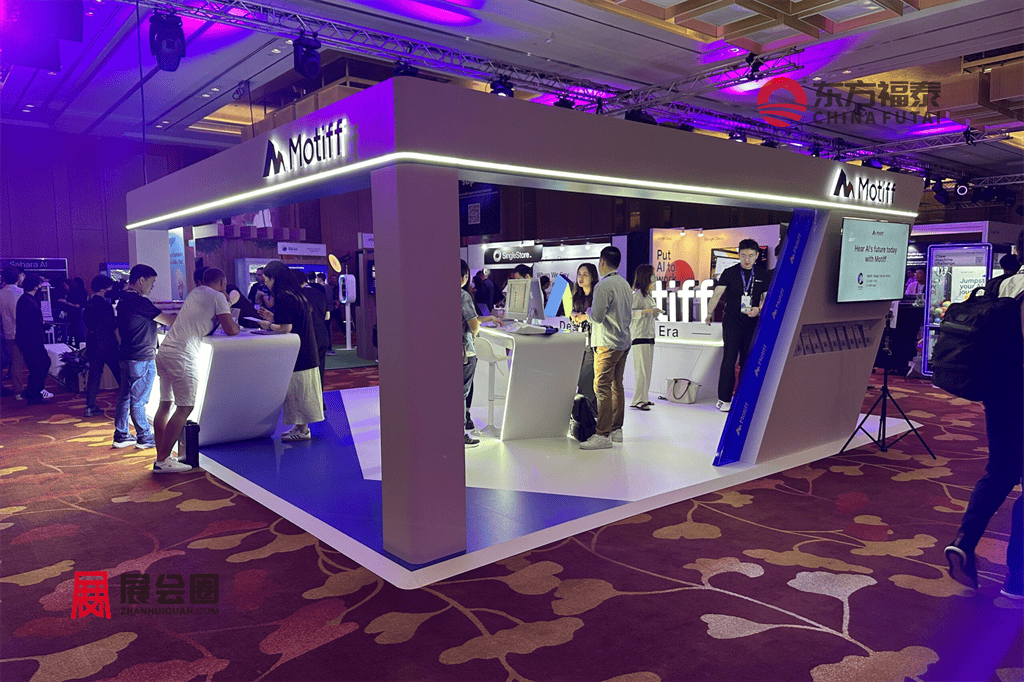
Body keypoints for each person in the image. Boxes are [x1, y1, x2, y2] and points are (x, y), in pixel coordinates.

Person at [945, 232, 1024, 600]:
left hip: (999, 390)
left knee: (1001, 470)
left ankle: (964, 540)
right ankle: (1017, 581)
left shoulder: (1001, 285)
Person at [153, 267, 239, 474]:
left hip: (165, 351)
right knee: (185, 407)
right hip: (182, 355)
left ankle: (161, 457)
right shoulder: (217, 296)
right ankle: (162, 460)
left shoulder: (196, 292)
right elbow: (231, 329)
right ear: (221, 282)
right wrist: (228, 306)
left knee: (165, 404)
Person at [257, 261, 324, 441]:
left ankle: (302, 430)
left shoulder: (283, 296)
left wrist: (267, 325)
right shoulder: (296, 294)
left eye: (266, 279)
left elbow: (286, 327)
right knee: (301, 390)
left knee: (298, 391)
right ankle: (300, 427)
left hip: (298, 352)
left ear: (273, 278)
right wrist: (273, 317)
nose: (265, 283)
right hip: (307, 349)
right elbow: (293, 319)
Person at [113, 264, 176, 450]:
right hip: (141, 357)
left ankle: (121, 435)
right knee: (139, 400)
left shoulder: (124, 299)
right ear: (141, 280)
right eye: (152, 282)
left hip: (127, 354)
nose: (152, 286)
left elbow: (141, 323)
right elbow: (168, 320)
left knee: (125, 397)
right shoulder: (140, 302)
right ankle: (144, 437)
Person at [705, 239, 770, 412]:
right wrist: (709, 313)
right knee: (729, 359)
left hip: (752, 323)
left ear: (757, 256)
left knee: (748, 361)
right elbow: (717, 295)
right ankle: (724, 399)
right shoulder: (730, 272)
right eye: (743, 255)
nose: (746, 259)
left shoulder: (763, 274)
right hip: (732, 323)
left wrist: (758, 310)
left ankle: (744, 399)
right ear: (739, 255)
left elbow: (765, 299)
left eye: (750, 256)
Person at [581, 246, 633, 450]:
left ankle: (602, 433)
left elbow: (597, 317)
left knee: (601, 386)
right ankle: (616, 429)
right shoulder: (624, 284)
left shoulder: (603, 286)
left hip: (607, 342)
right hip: (623, 341)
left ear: (602, 262)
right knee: (616, 385)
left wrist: (587, 312)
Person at [83, 275, 121, 417]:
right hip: (107, 342)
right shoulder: (105, 305)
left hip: (92, 341)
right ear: (104, 288)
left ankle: (90, 406)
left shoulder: (88, 304)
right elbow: (110, 325)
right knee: (119, 373)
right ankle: (128, 403)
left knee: (94, 375)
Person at [15, 274, 51, 405]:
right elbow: (30, 322)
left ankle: (33, 391)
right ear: (35, 286)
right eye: (39, 284)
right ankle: (34, 393)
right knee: (40, 365)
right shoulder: (28, 301)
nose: (41, 286)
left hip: (30, 339)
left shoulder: (26, 299)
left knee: (39, 365)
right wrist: (42, 325)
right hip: (31, 340)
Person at [570, 263, 600, 410]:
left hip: (593, 344)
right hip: (578, 343)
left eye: (585, 274)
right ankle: (586, 413)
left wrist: (585, 317)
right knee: (578, 379)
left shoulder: (598, 296)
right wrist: (574, 316)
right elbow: (572, 318)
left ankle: (587, 413)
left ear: (592, 277)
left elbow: (599, 317)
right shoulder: (577, 296)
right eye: (579, 274)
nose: (581, 278)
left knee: (585, 379)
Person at [630, 264, 659, 411]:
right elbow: (630, 314)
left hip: (649, 336)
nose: (655, 276)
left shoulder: (648, 295)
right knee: (641, 370)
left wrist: (653, 312)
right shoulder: (636, 296)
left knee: (647, 370)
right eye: (653, 273)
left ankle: (644, 397)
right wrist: (646, 312)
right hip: (639, 337)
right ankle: (638, 399)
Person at [461, 260, 482, 448]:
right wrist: (475, 332)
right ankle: (460, 434)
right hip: (464, 351)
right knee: (462, 392)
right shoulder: (463, 295)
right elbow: (473, 324)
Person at [302, 271, 331, 391]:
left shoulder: (298, 295)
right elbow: (327, 316)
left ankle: (310, 397)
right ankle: (319, 396)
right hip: (321, 333)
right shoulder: (320, 291)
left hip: (307, 335)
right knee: (320, 368)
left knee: (306, 371)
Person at [1, 266, 27, 399]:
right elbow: (20, 314)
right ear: (17, 277)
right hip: (21, 331)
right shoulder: (20, 292)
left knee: (15, 361)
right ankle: (19, 390)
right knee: (19, 362)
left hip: (7, 331)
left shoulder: (1, 292)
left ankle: (18, 389)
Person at [317, 272, 336, 354]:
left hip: (324, 311)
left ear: (320, 279)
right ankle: (329, 348)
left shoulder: (321, 288)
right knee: (328, 329)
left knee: (324, 329)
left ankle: (326, 348)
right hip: (330, 310)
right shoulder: (329, 287)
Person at [66, 277, 88, 347]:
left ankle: (74, 345)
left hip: (74, 312)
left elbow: (77, 305)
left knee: (75, 330)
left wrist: (66, 302)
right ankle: (80, 345)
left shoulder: (73, 292)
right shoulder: (84, 292)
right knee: (80, 330)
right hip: (80, 311)